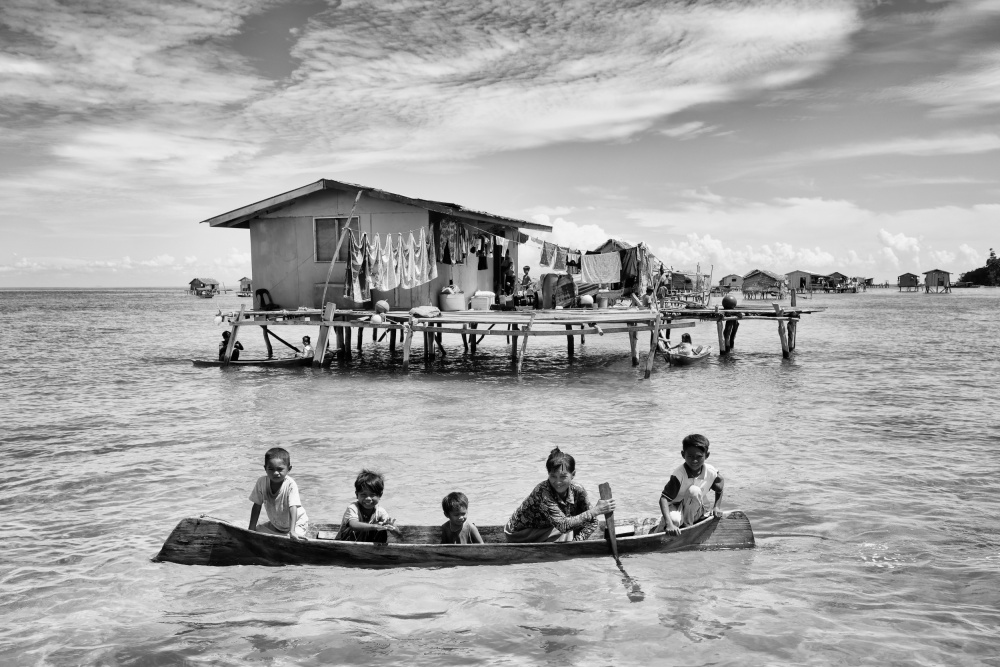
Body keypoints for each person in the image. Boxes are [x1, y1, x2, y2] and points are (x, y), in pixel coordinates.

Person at [504, 447, 614, 543]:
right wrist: (596, 510)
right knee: (568, 528)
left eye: (563, 477)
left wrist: (577, 543)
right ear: (548, 474)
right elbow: (563, 526)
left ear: (573, 474)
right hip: (518, 533)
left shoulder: (578, 490)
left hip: (548, 528)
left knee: (580, 522)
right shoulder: (542, 492)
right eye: (553, 476)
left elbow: (593, 522)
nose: (558, 482)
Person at [656, 434, 724, 535]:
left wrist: (717, 506)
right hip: (677, 507)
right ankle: (659, 531)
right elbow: (663, 499)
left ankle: (688, 526)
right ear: (683, 454)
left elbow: (720, 484)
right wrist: (669, 523)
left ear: (707, 455)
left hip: (698, 510)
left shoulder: (711, 472)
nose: (694, 460)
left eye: (699, 457)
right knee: (674, 520)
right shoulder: (679, 475)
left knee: (694, 491)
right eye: (690, 456)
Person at [248, 447, 309, 540]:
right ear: (265, 468)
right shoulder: (261, 482)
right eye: (271, 469)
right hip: (277, 525)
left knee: (293, 540)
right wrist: (251, 529)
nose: (275, 473)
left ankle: (292, 533)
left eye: (280, 469)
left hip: (297, 523)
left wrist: (292, 531)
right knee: (256, 533)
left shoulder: (290, 484)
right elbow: (257, 505)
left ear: (289, 469)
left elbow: (293, 507)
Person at [335, 469, 401, 542]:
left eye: (372, 495)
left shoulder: (380, 512)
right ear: (357, 495)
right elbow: (353, 524)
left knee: (382, 529)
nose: (368, 499)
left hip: (367, 543)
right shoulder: (353, 508)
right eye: (363, 494)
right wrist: (375, 526)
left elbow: (398, 534)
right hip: (347, 541)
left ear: (380, 495)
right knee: (369, 528)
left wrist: (391, 527)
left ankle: (375, 548)